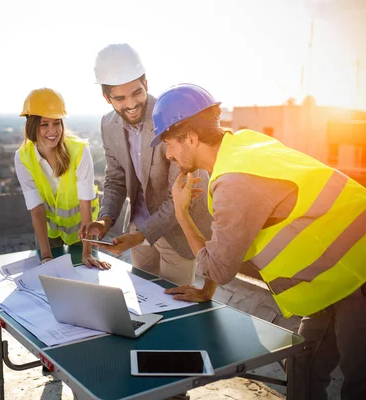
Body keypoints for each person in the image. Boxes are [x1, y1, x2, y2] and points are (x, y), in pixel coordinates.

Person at [151, 83, 366, 400]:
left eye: (168, 142)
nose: (168, 153)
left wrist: (181, 212)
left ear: (191, 137)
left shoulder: (234, 181)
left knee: (359, 382)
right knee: (303, 368)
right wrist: (205, 291)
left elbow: (220, 268)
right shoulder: (243, 143)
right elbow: (232, 237)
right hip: (331, 278)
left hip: (358, 270)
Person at [81, 43, 214, 290]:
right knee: (144, 299)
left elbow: (181, 196)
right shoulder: (108, 125)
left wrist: (140, 236)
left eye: (137, 93)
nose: (131, 104)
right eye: (120, 98)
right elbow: (115, 179)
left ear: (147, 84)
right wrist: (106, 220)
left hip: (178, 230)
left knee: (173, 307)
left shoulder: (172, 118)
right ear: (106, 98)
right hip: (137, 226)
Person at [15, 88, 110, 269]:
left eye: (57, 123)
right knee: (50, 279)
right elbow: (36, 210)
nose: (53, 131)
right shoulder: (22, 158)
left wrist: (87, 251)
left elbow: (85, 204)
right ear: (32, 125)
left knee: (85, 275)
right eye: (44, 124)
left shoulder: (79, 151)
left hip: (83, 230)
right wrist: (46, 257)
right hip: (50, 231)